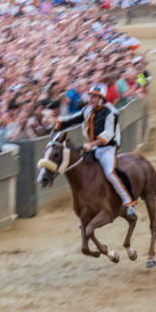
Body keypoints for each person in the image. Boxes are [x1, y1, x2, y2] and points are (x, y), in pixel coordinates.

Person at [55, 84, 136, 216]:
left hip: (108, 148)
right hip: (92, 148)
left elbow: (108, 135)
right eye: (90, 96)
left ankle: (129, 202)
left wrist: (91, 144)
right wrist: (57, 122)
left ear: (101, 98)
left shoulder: (111, 112)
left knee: (110, 172)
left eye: (94, 97)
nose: (91, 99)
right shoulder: (87, 110)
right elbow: (71, 120)